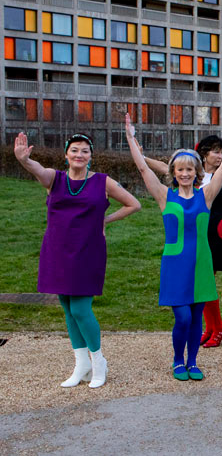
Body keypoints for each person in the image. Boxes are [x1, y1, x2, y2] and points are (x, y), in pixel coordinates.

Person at [14, 131, 140, 388]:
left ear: (91, 157)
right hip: (57, 250)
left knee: (81, 309)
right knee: (68, 309)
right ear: (66, 155)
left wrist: (105, 220)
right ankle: (81, 364)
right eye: (74, 150)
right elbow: (37, 168)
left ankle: (98, 361)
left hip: (88, 251)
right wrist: (24, 160)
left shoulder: (103, 182)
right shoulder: (54, 178)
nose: (79, 155)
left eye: (84, 151)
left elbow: (133, 204)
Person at [125, 115, 222, 381]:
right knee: (183, 318)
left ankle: (193, 362)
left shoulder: (206, 195)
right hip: (175, 263)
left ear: (196, 172)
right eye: (180, 169)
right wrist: (130, 137)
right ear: (173, 172)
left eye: (190, 169)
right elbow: (143, 169)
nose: (185, 173)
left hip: (201, 261)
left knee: (197, 318)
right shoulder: (166, 196)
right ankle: (178, 360)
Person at [144, 132, 222, 348]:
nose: (220, 156)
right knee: (200, 284)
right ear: (203, 154)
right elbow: (164, 168)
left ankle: (217, 328)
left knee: (206, 282)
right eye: (216, 151)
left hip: (214, 233)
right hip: (191, 232)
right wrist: (141, 156)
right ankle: (214, 327)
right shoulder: (192, 173)